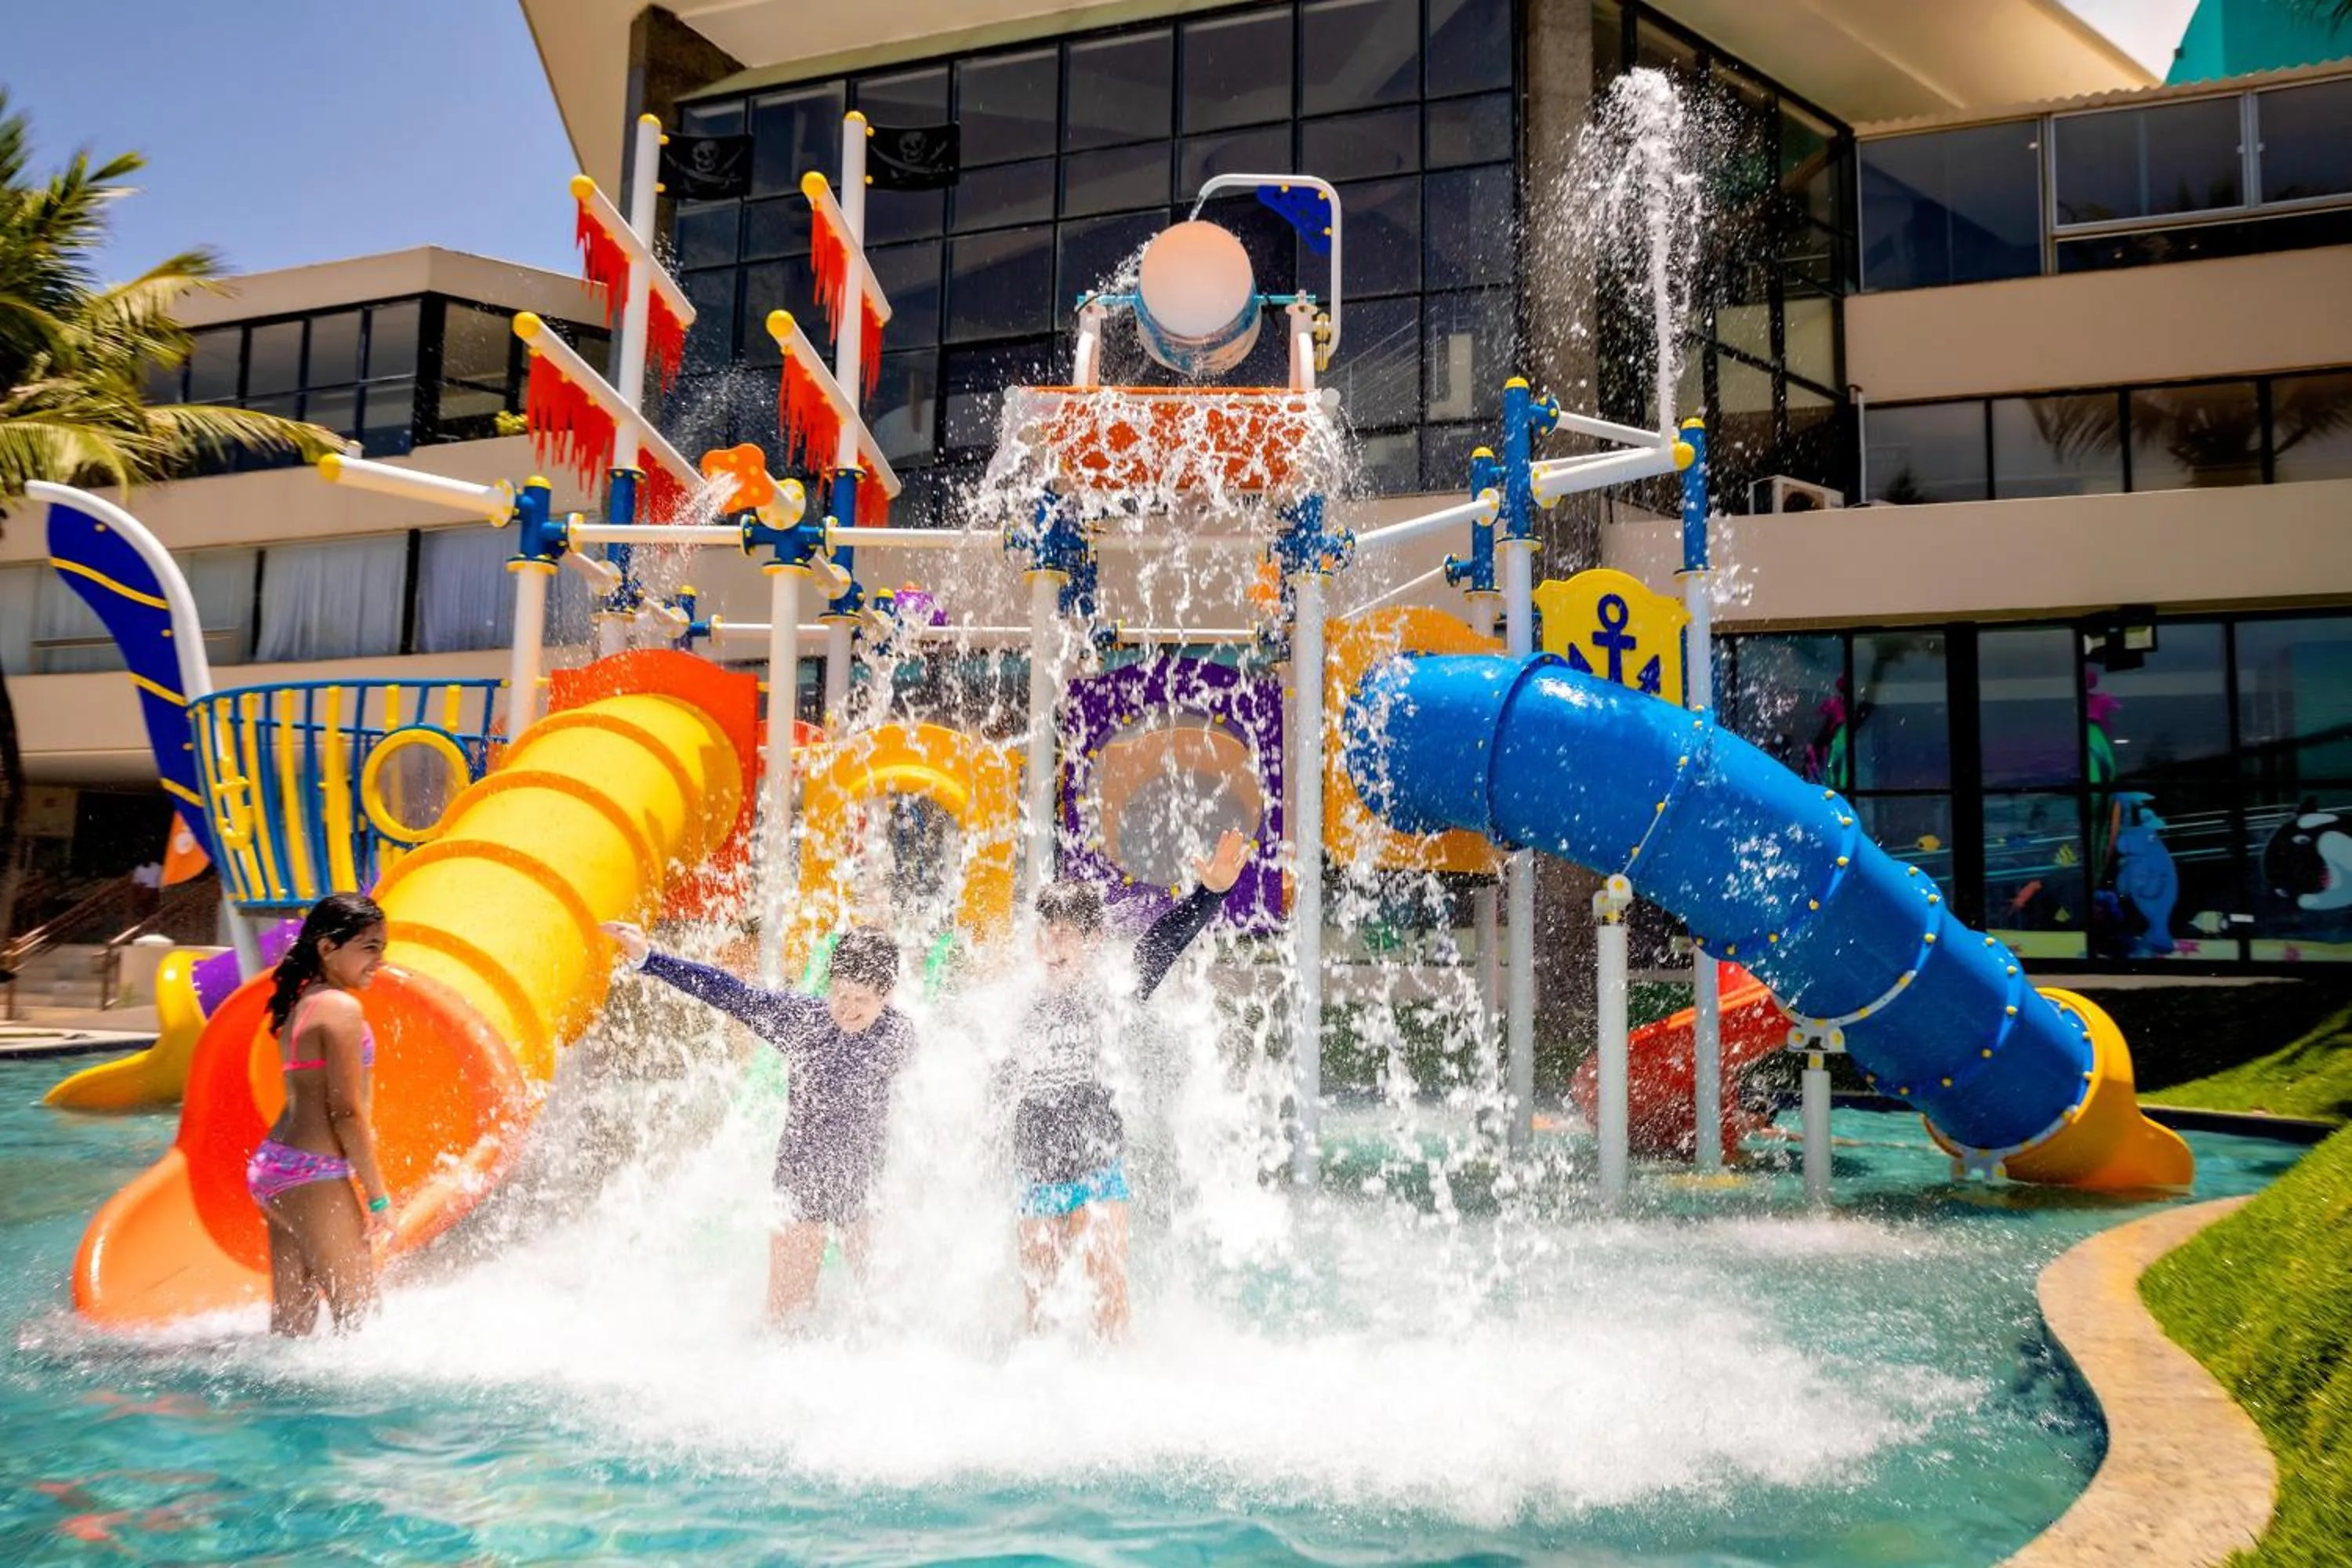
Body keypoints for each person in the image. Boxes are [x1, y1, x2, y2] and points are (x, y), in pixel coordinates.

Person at [602, 919, 915, 1327]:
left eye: (862, 999)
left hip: (865, 1184)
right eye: (840, 994)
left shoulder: (900, 1036)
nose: (848, 1009)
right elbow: (729, 993)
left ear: (887, 995)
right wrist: (649, 959)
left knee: (878, 1313)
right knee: (785, 1318)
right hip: (803, 1178)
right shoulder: (803, 1021)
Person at [1002, 829, 1250, 1339]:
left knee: (1108, 1286)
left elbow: (1164, 942)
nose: (1051, 947)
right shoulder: (1020, 1002)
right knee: (1040, 1302)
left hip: (1096, 1157)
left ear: (1092, 940)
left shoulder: (1114, 990)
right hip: (1036, 1159)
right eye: (1044, 934)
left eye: (1065, 934)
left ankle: (1116, 1382)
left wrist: (1213, 894)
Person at [244, 892, 394, 1336]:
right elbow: (346, 1111)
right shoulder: (341, 1009)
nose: (379, 961)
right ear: (328, 947)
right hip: (313, 1172)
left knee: (292, 1328)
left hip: (276, 1167)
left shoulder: (303, 1001)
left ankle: (276, 1406)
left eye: (383, 949)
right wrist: (379, 1198)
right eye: (369, 948)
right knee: (360, 1320)